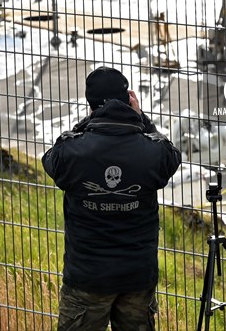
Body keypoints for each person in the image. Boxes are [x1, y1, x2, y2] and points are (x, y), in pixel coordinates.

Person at [43, 67, 182, 331]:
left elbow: (52, 159)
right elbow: (171, 155)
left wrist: (89, 122)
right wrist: (141, 119)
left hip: (87, 277)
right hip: (137, 276)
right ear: (129, 99)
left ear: (90, 104)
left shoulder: (74, 152)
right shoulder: (152, 152)